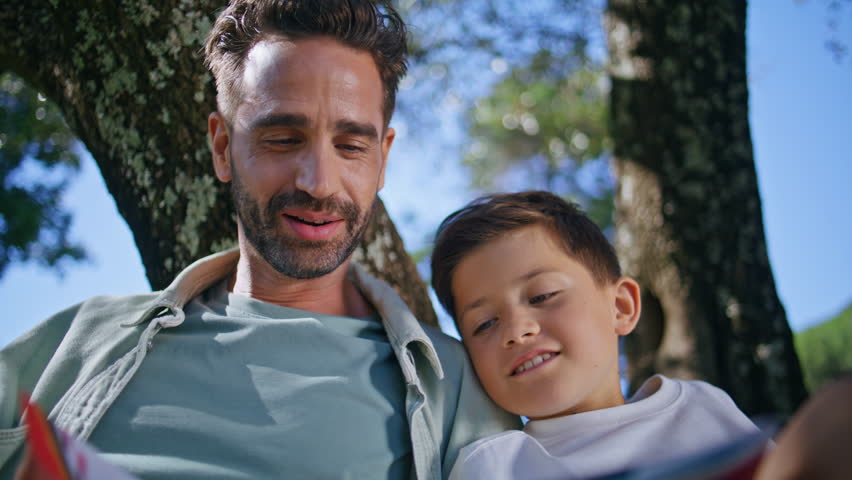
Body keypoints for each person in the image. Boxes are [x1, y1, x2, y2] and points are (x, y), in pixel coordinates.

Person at [0, 1, 520, 478]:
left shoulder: (459, 390)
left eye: (351, 145)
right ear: (222, 148)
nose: (317, 182)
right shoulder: (71, 344)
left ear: (382, 157)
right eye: (282, 139)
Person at [429, 191, 763, 479]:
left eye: (542, 296)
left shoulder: (701, 406)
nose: (517, 330)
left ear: (620, 307)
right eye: (484, 324)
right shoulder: (494, 466)